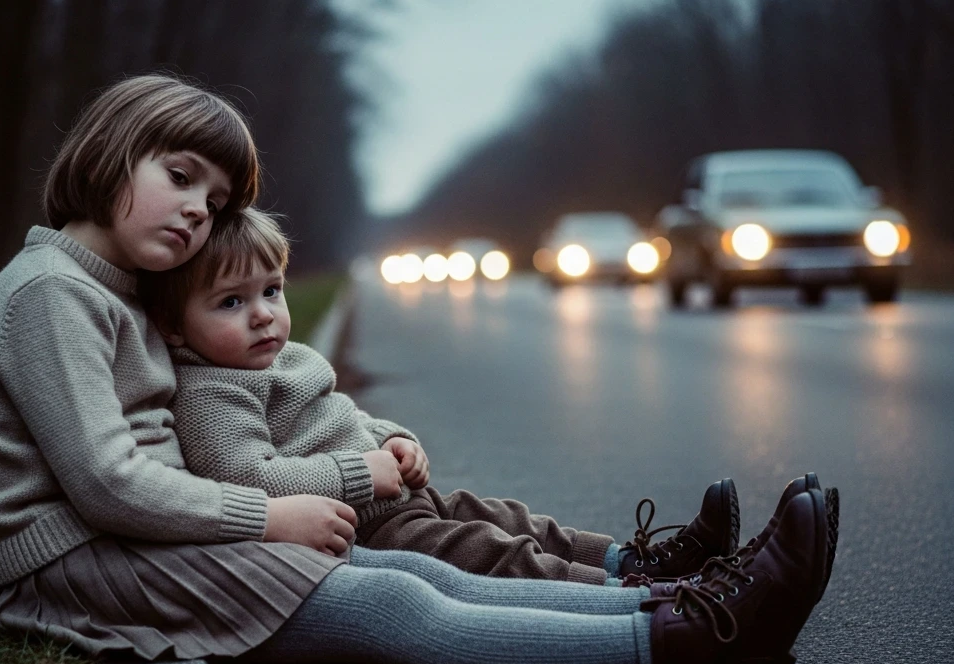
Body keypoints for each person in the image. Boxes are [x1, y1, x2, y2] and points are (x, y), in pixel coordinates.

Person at [0, 73, 839, 664]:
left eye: (214, 196)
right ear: (111, 153)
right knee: (392, 601)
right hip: (83, 565)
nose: (196, 211)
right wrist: (273, 517)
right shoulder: (49, 296)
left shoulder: (112, 289)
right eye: (179, 176)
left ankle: (688, 608)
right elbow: (108, 482)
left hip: (145, 541)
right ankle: (700, 641)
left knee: (413, 564)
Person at [139, 206, 741, 587]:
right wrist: (358, 473)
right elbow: (249, 481)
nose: (263, 316)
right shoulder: (210, 393)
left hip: (397, 499)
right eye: (231, 303)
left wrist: (393, 441)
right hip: (367, 530)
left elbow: (341, 417)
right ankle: (628, 591)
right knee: (488, 552)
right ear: (172, 326)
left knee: (508, 518)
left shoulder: (281, 358)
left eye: (271, 291)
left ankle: (634, 557)